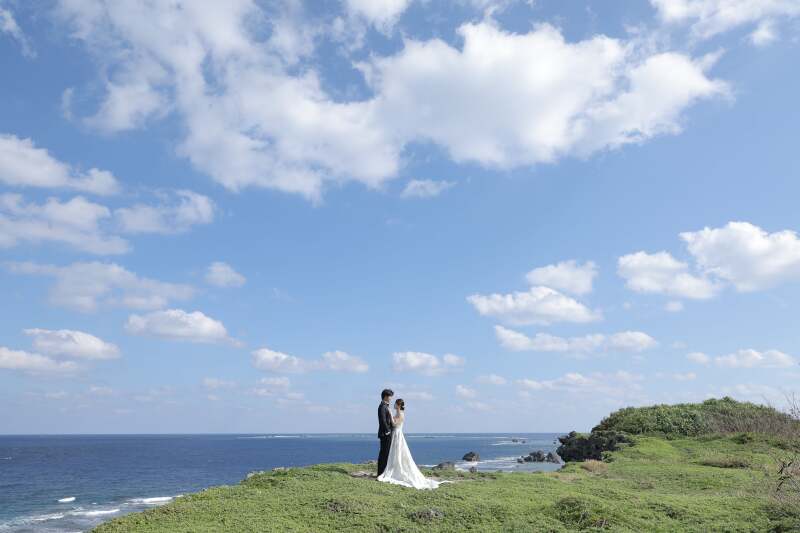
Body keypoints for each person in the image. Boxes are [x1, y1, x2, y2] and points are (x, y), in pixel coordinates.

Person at [377, 397, 444, 489]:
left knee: (399, 452)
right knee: (395, 452)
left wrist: (390, 414)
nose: (394, 405)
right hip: (395, 434)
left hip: (398, 434)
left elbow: (395, 424)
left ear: (399, 405)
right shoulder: (397, 413)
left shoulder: (401, 413)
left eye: (396, 403)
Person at [377, 388, 394, 476]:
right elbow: (382, 420)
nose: (391, 398)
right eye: (390, 396)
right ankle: (380, 473)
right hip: (385, 434)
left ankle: (383, 472)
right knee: (384, 453)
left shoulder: (385, 406)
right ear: (386, 397)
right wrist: (388, 431)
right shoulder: (382, 406)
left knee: (386, 453)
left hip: (386, 433)